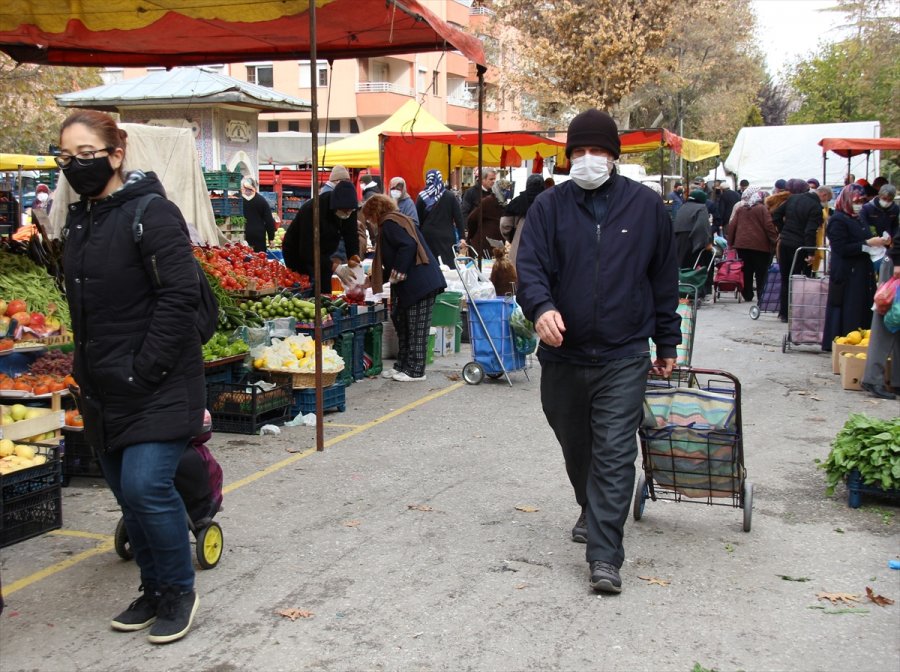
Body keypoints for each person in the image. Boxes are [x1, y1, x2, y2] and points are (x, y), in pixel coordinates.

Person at [516, 108, 681, 595]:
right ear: (568, 157)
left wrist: (666, 340)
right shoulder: (549, 207)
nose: (587, 159)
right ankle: (591, 505)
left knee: (614, 449)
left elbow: (663, 279)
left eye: (597, 151)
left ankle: (605, 556)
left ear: (614, 156)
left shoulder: (646, 207)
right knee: (576, 442)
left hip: (623, 352)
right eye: (579, 152)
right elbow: (531, 268)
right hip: (563, 354)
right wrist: (541, 308)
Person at [57, 110, 204, 644]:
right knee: (126, 494)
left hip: (156, 383)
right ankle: (151, 587)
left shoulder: (153, 213)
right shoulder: (78, 221)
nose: (76, 166)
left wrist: (145, 369)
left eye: (87, 155)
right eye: (67, 158)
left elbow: (180, 296)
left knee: (146, 486)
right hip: (100, 386)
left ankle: (179, 592)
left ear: (117, 155)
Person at [362, 194, 446, 382]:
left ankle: (416, 370)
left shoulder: (390, 224)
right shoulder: (394, 222)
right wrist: (372, 279)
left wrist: (398, 271)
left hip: (421, 284)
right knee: (403, 323)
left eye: (369, 217)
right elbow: (394, 259)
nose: (369, 222)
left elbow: (407, 246)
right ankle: (403, 365)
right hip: (413, 284)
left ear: (375, 213)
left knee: (416, 327)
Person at [821, 184, 886, 351]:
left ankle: (860, 340)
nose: (859, 204)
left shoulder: (858, 218)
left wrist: (875, 243)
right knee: (848, 306)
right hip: (847, 271)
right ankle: (842, 341)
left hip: (862, 269)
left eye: (862, 201)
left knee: (860, 305)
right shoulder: (838, 220)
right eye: (856, 201)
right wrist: (866, 244)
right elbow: (841, 248)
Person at [282, 180, 359, 293]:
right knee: (307, 288)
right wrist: (335, 267)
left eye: (350, 211)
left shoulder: (350, 209)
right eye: (344, 211)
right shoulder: (313, 209)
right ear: (335, 206)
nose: (347, 214)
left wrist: (354, 259)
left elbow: (351, 236)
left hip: (324, 253)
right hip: (298, 254)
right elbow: (307, 251)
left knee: (325, 288)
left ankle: (324, 303)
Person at [772, 178, 823, 322]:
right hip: (799, 246)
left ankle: (784, 313)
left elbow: (775, 215)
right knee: (797, 278)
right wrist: (811, 252)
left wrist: (783, 230)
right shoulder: (815, 207)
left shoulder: (792, 199)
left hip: (785, 243)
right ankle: (795, 311)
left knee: (785, 278)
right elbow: (810, 231)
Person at [861, 224, 900, 399]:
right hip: (896, 268)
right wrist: (898, 263)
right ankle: (872, 379)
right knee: (886, 322)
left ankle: (897, 381)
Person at [726, 187, 777, 302]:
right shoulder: (762, 209)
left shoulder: (741, 209)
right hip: (760, 246)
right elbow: (769, 226)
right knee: (761, 272)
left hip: (742, 245)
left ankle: (747, 294)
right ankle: (761, 295)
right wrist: (775, 240)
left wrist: (730, 243)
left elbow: (732, 226)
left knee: (746, 271)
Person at [416, 169, 465, 267]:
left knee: (431, 265)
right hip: (447, 236)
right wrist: (462, 237)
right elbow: (459, 218)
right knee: (448, 265)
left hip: (428, 237)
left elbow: (418, 220)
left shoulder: (422, 196)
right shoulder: (450, 196)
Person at [501, 173, 545, 266]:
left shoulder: (517, 201)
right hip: (543, 250)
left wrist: (513, 238)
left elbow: (505, 224)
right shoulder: (549, 201)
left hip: (520, 247)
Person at [673, 189, 712, 270]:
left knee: (681, 266)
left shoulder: (683, 206)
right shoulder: (701, 207)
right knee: (695, 266)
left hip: (678, 239)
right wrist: (706, 242)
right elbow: (702, 226)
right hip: (692, 239)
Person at [239, 176, 276, 253]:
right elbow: (269, 220)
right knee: (259, 260)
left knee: (241, 258)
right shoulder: (261, 200)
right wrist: (271, 238)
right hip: (258, 235)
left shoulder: (236, 199)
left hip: (240, 234)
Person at [466, 186, 505, 259]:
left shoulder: (505, 203)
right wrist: (471, 234)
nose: (493, 181)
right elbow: (472, 218)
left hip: (497, 243)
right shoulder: (488, 201)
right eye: (491, 179)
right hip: (484, 242)